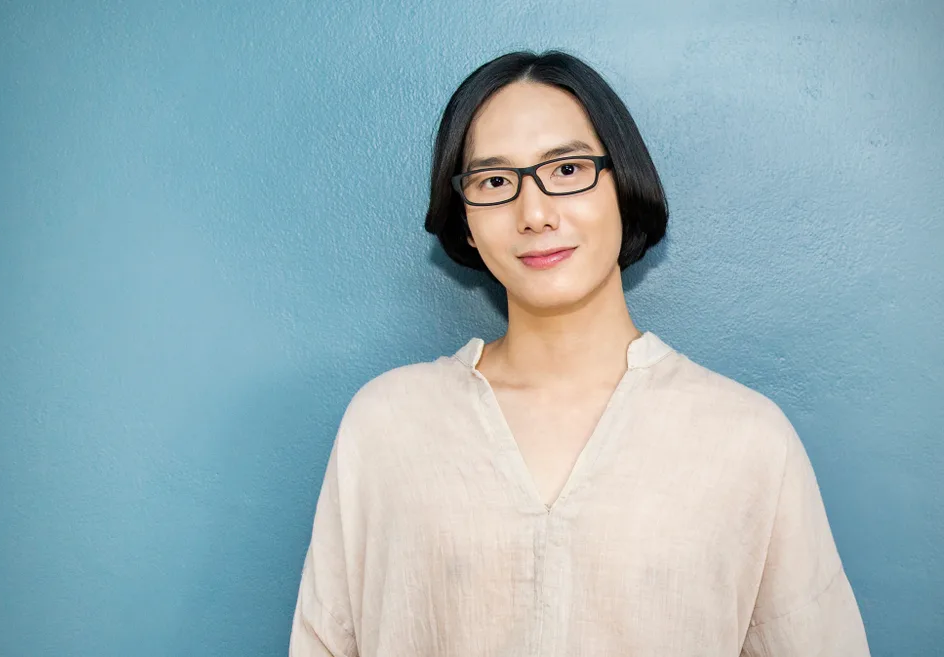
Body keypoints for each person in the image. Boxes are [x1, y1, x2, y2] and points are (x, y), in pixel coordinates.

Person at [289, 50, 869, 656]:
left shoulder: (747, 440)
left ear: (625, 185)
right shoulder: (387, 425)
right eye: (493, 181)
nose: (534, 213)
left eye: (567, 169)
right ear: (463, 220)